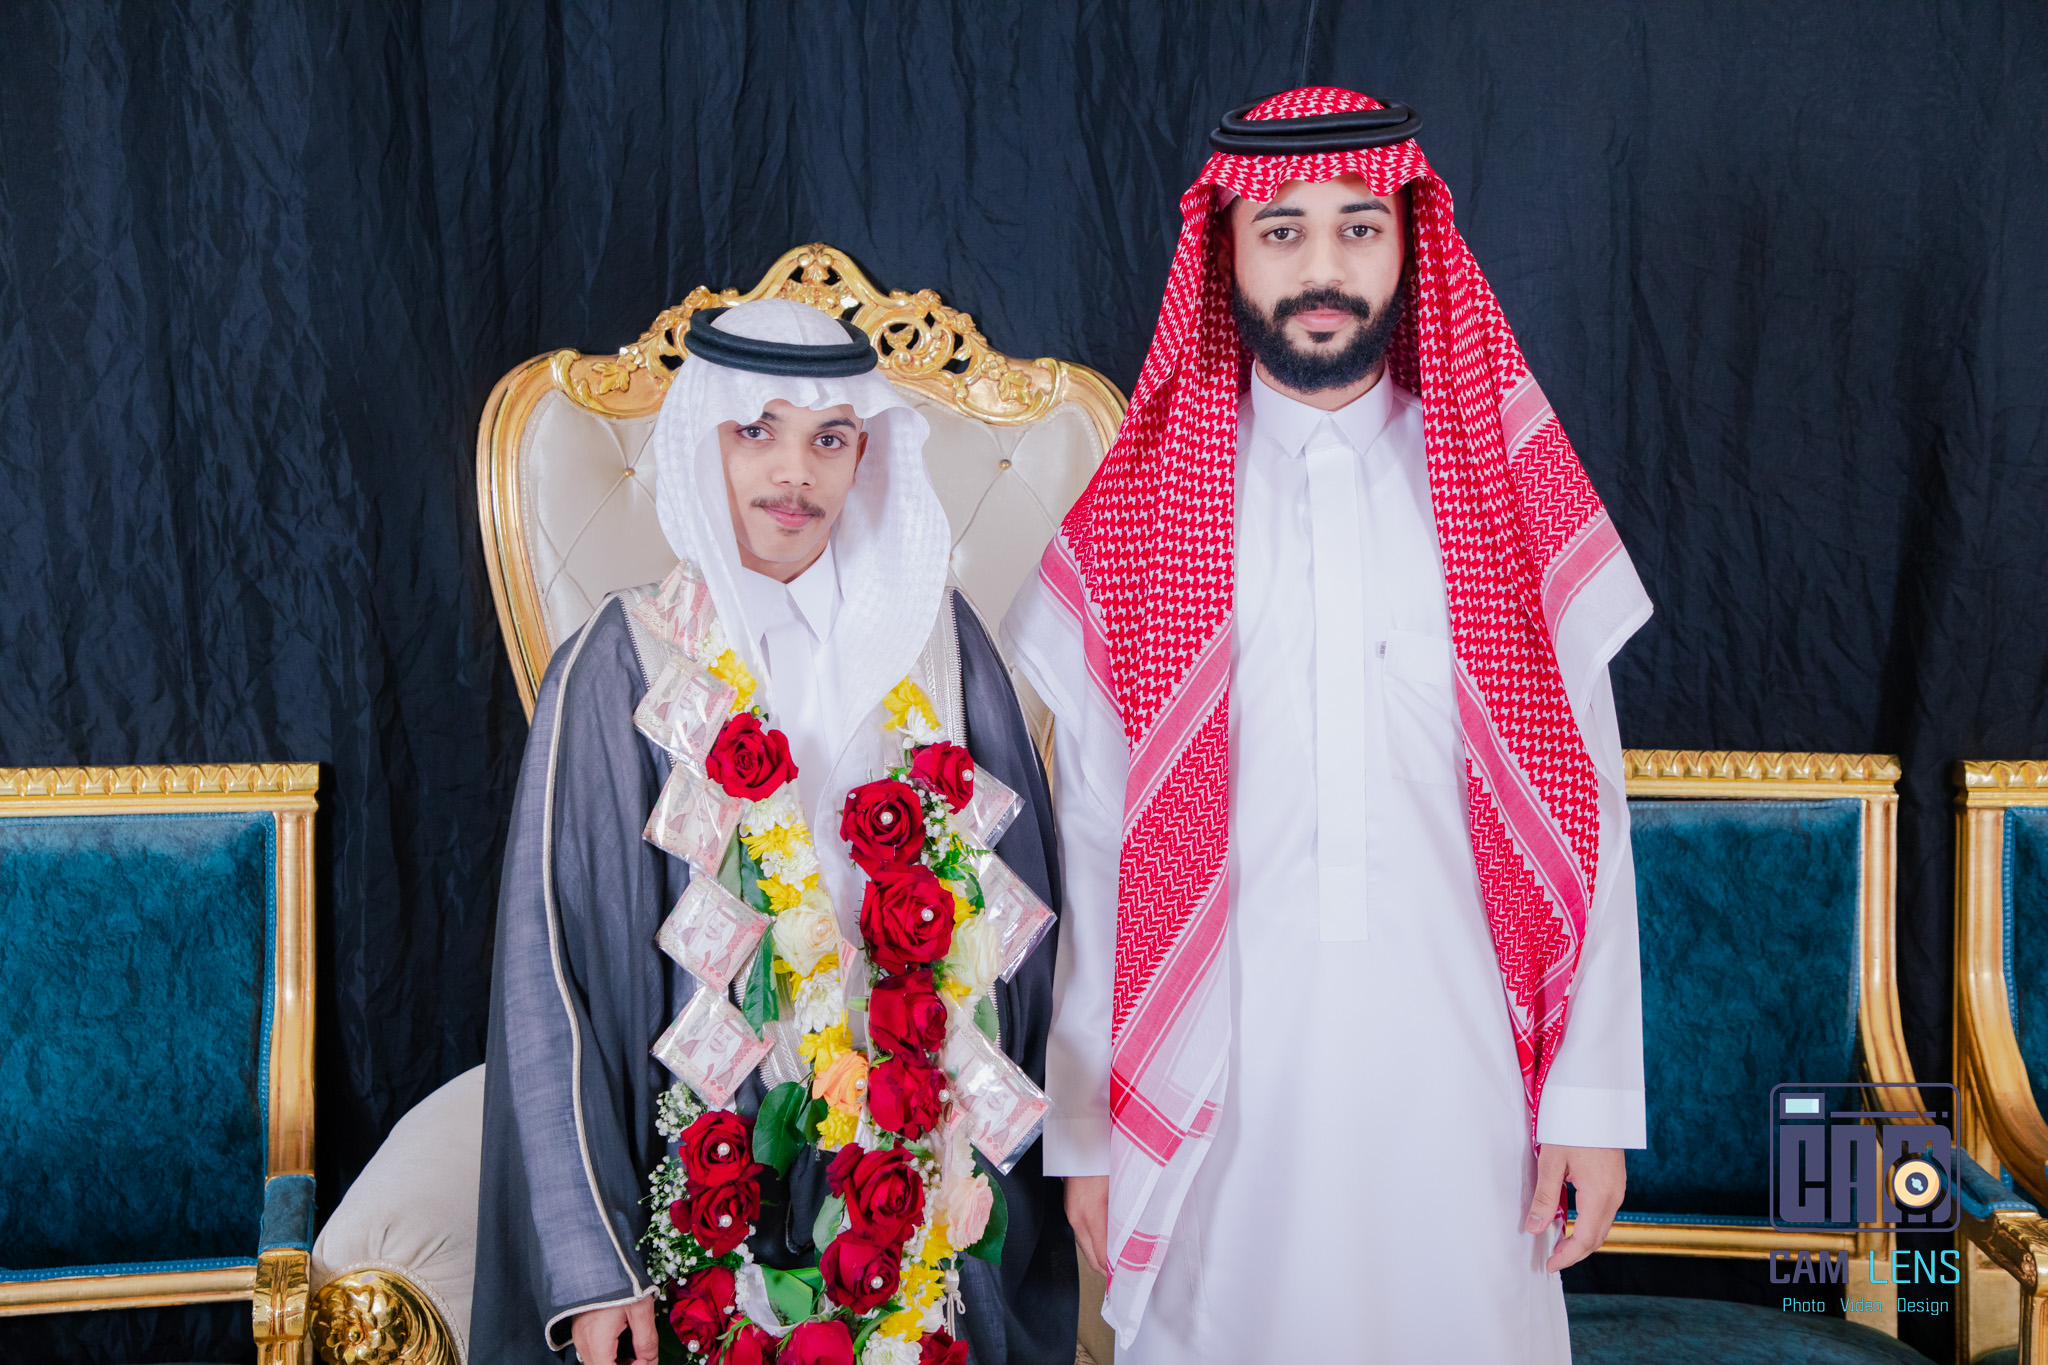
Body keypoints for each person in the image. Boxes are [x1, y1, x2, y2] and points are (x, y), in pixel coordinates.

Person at [1002, 88, 1652, 1363]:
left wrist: (1588, 1098)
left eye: (1357, 228)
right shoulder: (1146, 510)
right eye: (1281, 231)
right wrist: (1087, 1127)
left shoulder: (1496, 483)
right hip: (1220, 1088)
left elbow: (1589, 810)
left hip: (1462, 1079)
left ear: (1408, 243)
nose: (1321, 268)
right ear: (1225, 253)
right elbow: (1095, 838)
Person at [475, 299, 1076, 1364]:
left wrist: (990, 1158)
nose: (794, 474)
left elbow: (1026, 950)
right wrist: (594, 1262)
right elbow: (549, 981)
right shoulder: (623, 661)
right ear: (700, 442)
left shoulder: (937, 649)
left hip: (915, 1191)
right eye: (756, 431)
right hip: (702, 1201)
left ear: (864, 455)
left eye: (829, 439)